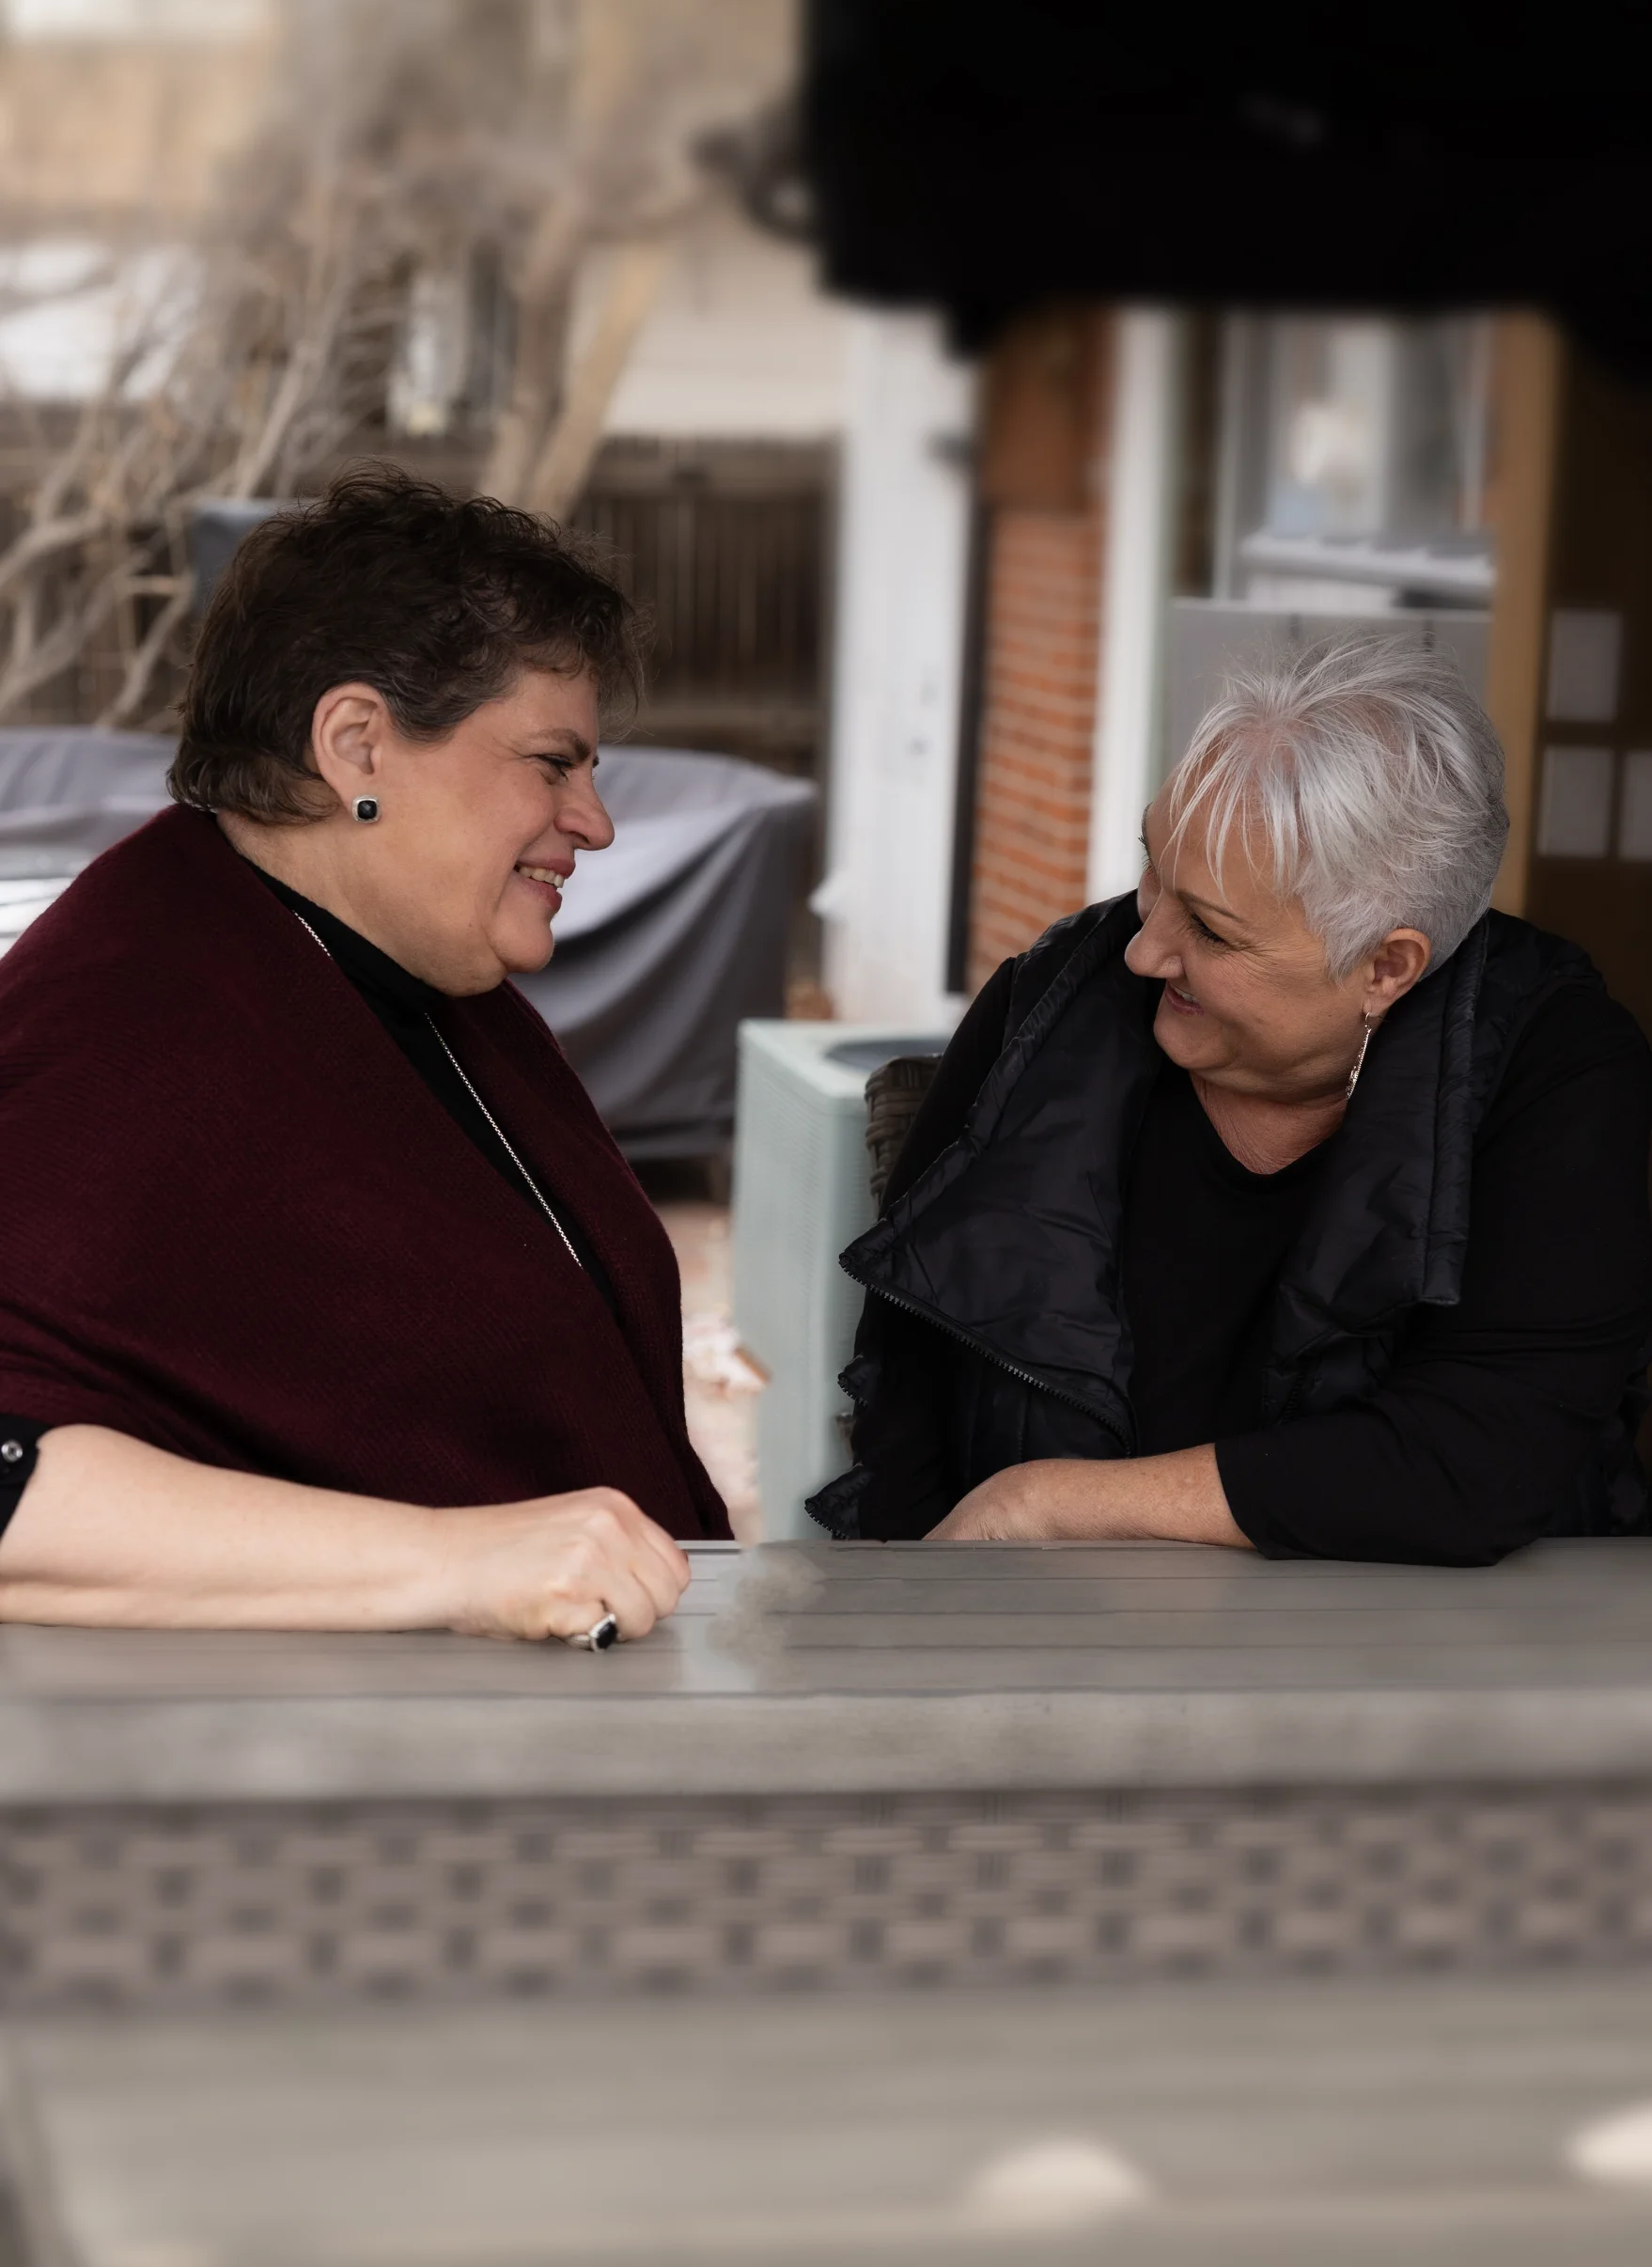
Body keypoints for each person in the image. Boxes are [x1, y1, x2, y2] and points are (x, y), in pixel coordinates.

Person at [0, 467, 728, 1641]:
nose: (594, 819)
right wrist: (454, 1562)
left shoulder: (412, 976)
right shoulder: (128, 1010)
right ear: (357, 747)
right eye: (553, 762)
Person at [813, 634, 1652, 1564]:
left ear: (1386, 966)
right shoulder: (1045, 1010)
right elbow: (908, 1381)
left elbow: (1475, 1459)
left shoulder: (1555, 1069)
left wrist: (1048, 1503)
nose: (1143, 949)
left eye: (1209, 930)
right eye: (1154, 874)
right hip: (1034, 1649)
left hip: (1426, 1674)